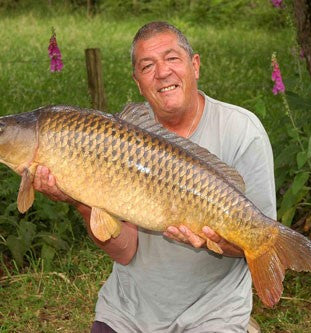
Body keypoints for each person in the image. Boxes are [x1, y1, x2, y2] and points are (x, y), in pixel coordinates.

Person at [34, 21, 276, 333]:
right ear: (138, 82)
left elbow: (256, 240)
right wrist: (80, 201)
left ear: (195, 65)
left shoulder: (242, 131)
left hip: (212, 311)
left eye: (172, 59)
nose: (162, 72)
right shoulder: (116, 140)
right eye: (147, 65)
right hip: (131, 310)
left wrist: (213, 239)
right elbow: (125, 251)